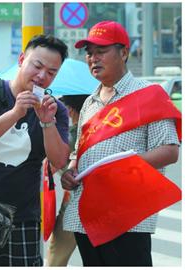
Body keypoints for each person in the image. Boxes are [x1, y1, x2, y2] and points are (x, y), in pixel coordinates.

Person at [61, 21, 180, 266]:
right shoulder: (89, 103)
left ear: (124, 52)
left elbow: (169, 151)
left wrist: (120, 169)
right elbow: (78, 151)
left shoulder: (150, 95)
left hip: (127, 216)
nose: (94, 58)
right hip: (87, 216)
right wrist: (71, 170)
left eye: (101, 51)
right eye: (89, 53)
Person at [0, 34, 70, 266]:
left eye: (51, 72)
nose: (42, 76)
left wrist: (47, 123)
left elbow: (60, 160)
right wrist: (15, 113)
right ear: (22, 59)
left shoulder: (56, 109)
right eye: (37, 65)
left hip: (23, 217)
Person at [46, 94, 89, 266]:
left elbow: (55, 163)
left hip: (71, 205)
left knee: (57, 257)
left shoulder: (72, 135)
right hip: (92, 205)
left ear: (70, 110)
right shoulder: (95, 130)